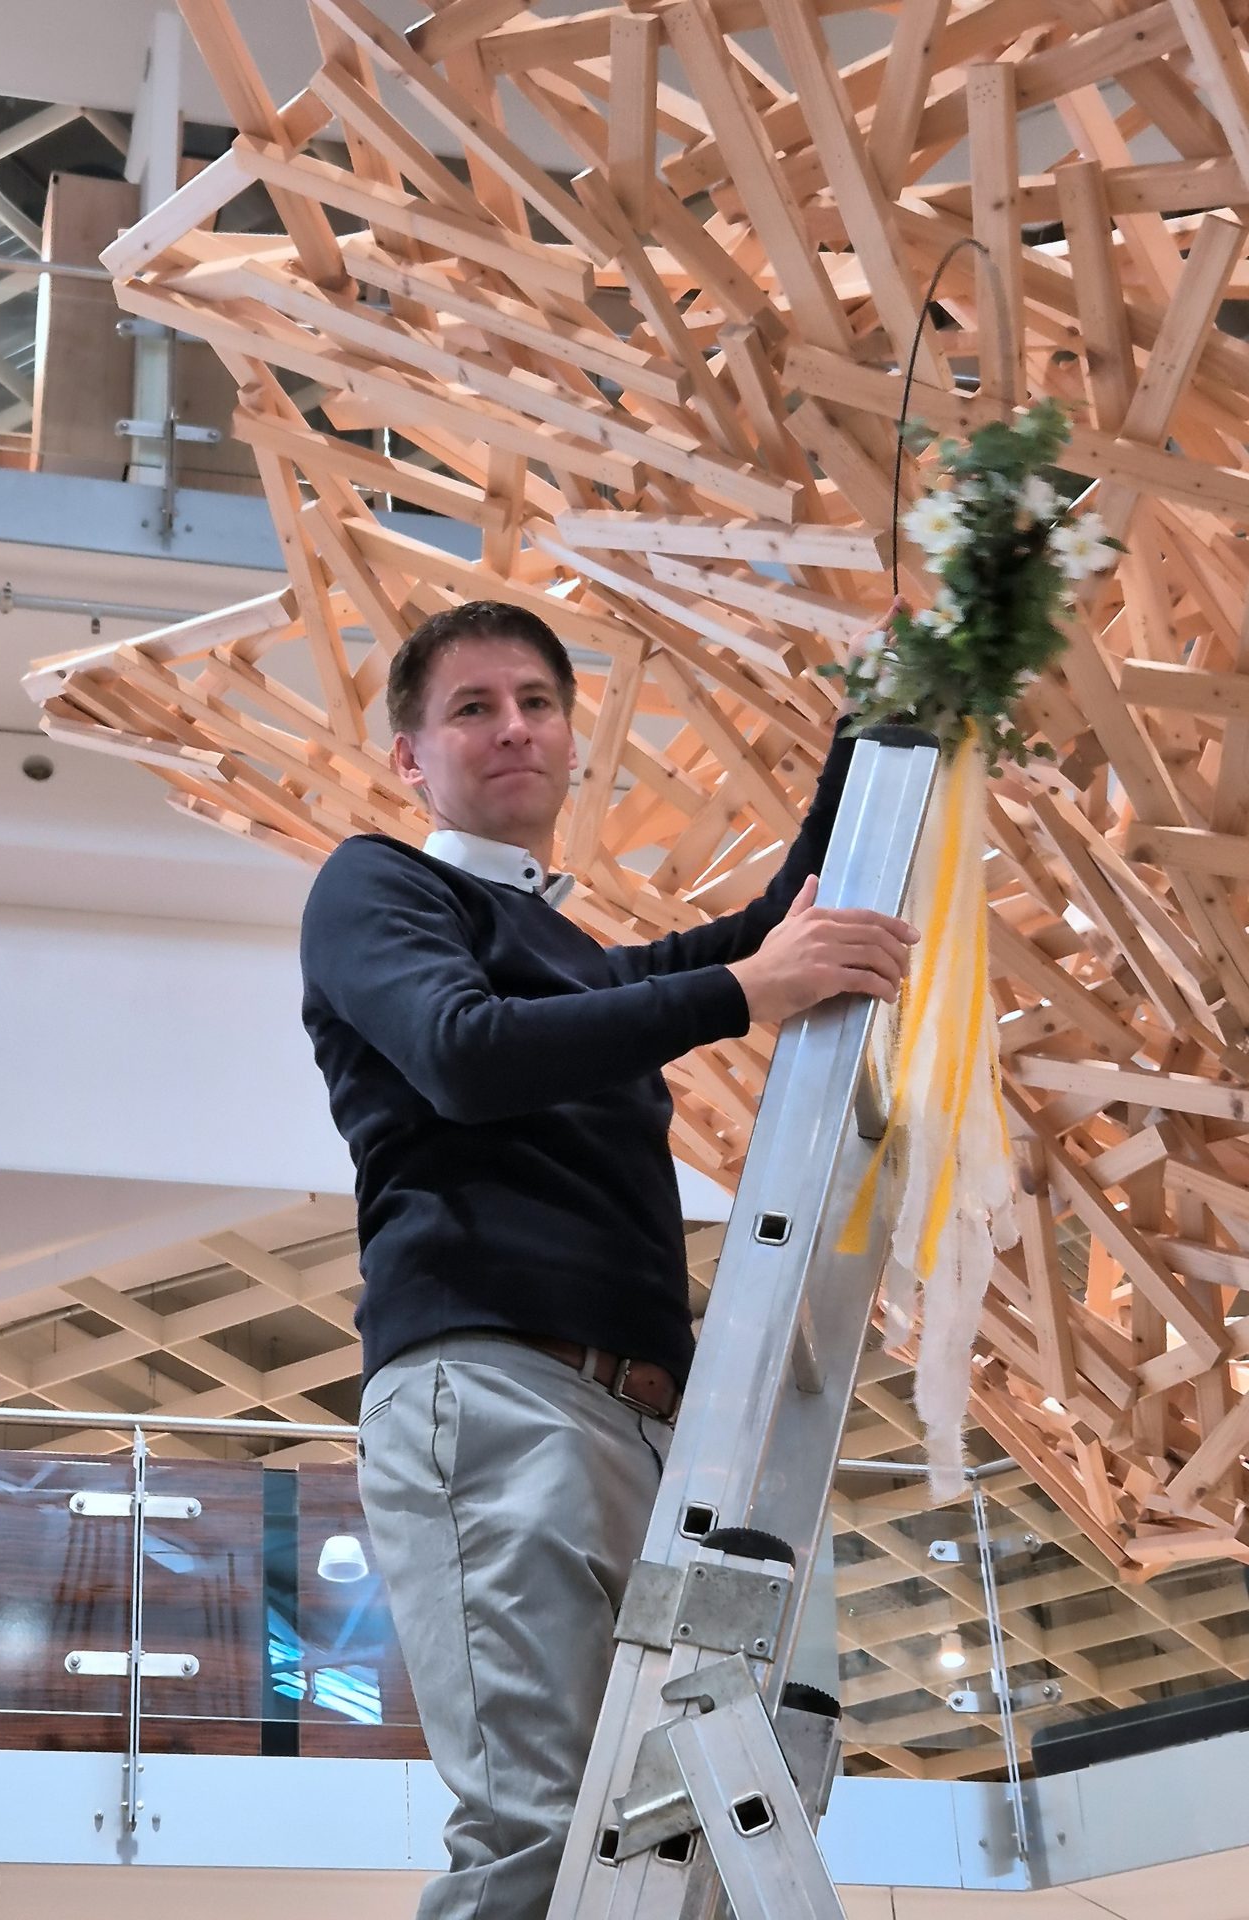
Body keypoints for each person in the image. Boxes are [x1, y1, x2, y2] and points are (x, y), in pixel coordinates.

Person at [299, 600, 917, 1920]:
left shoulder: (577, 960)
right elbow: (463, 1053)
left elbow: (776, 928)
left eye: (537, 702)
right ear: (410, 755)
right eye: (472, 708)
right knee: (539, 1834)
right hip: (497, 1389)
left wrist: (883, 708)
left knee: (656, 1860)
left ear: (573, 738)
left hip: (646, 1424)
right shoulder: (379, 886)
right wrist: (743, 992)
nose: (513, 727)